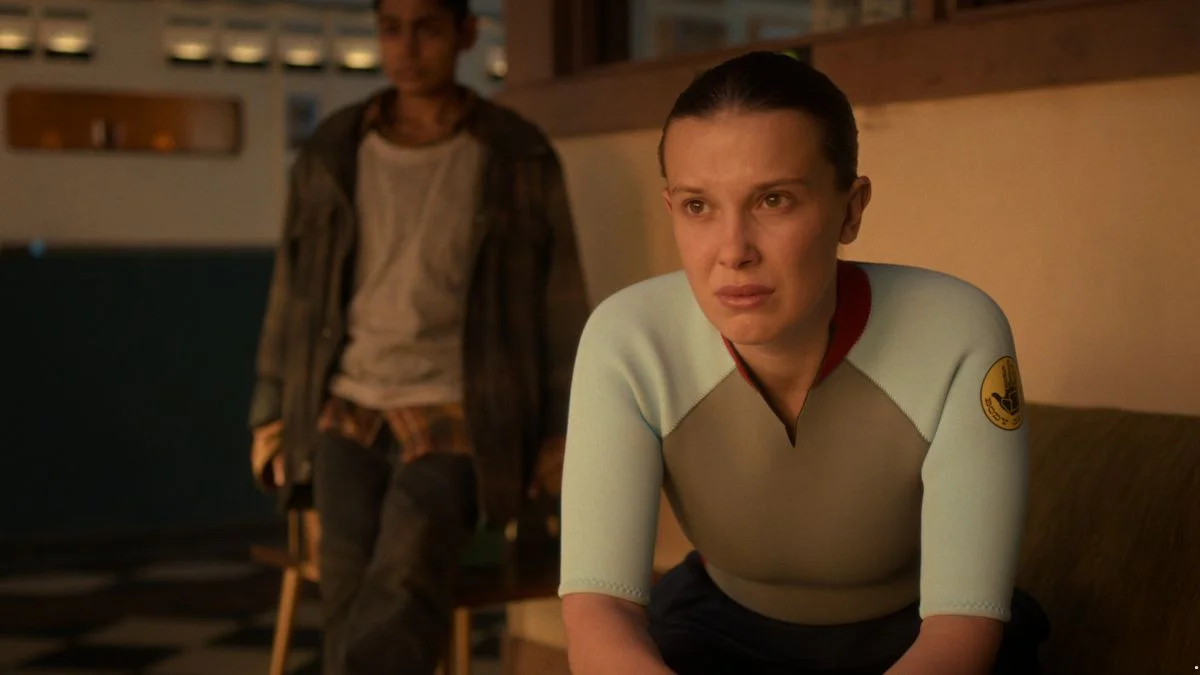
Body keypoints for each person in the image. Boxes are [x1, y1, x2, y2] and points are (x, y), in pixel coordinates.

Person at [556, 51, 1049, 675]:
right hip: (716, 629)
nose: (733, 251)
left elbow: (962, 629)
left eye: (774, 200)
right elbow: (598, 610)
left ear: (851, 208)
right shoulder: (627, 338)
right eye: (698, 206)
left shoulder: (957, 331)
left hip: (918, 633)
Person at [247, 0, 590, 673]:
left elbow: (562, 302)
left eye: (428, 28)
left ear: (465, 33)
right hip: (345, 405)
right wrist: (269, 413)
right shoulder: (333, 149)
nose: (406, 47)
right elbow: (292, 290)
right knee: (347, 581)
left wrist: (560, 427)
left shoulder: (517, 154)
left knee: (406, 568)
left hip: (462, 410)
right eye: (390, 29)